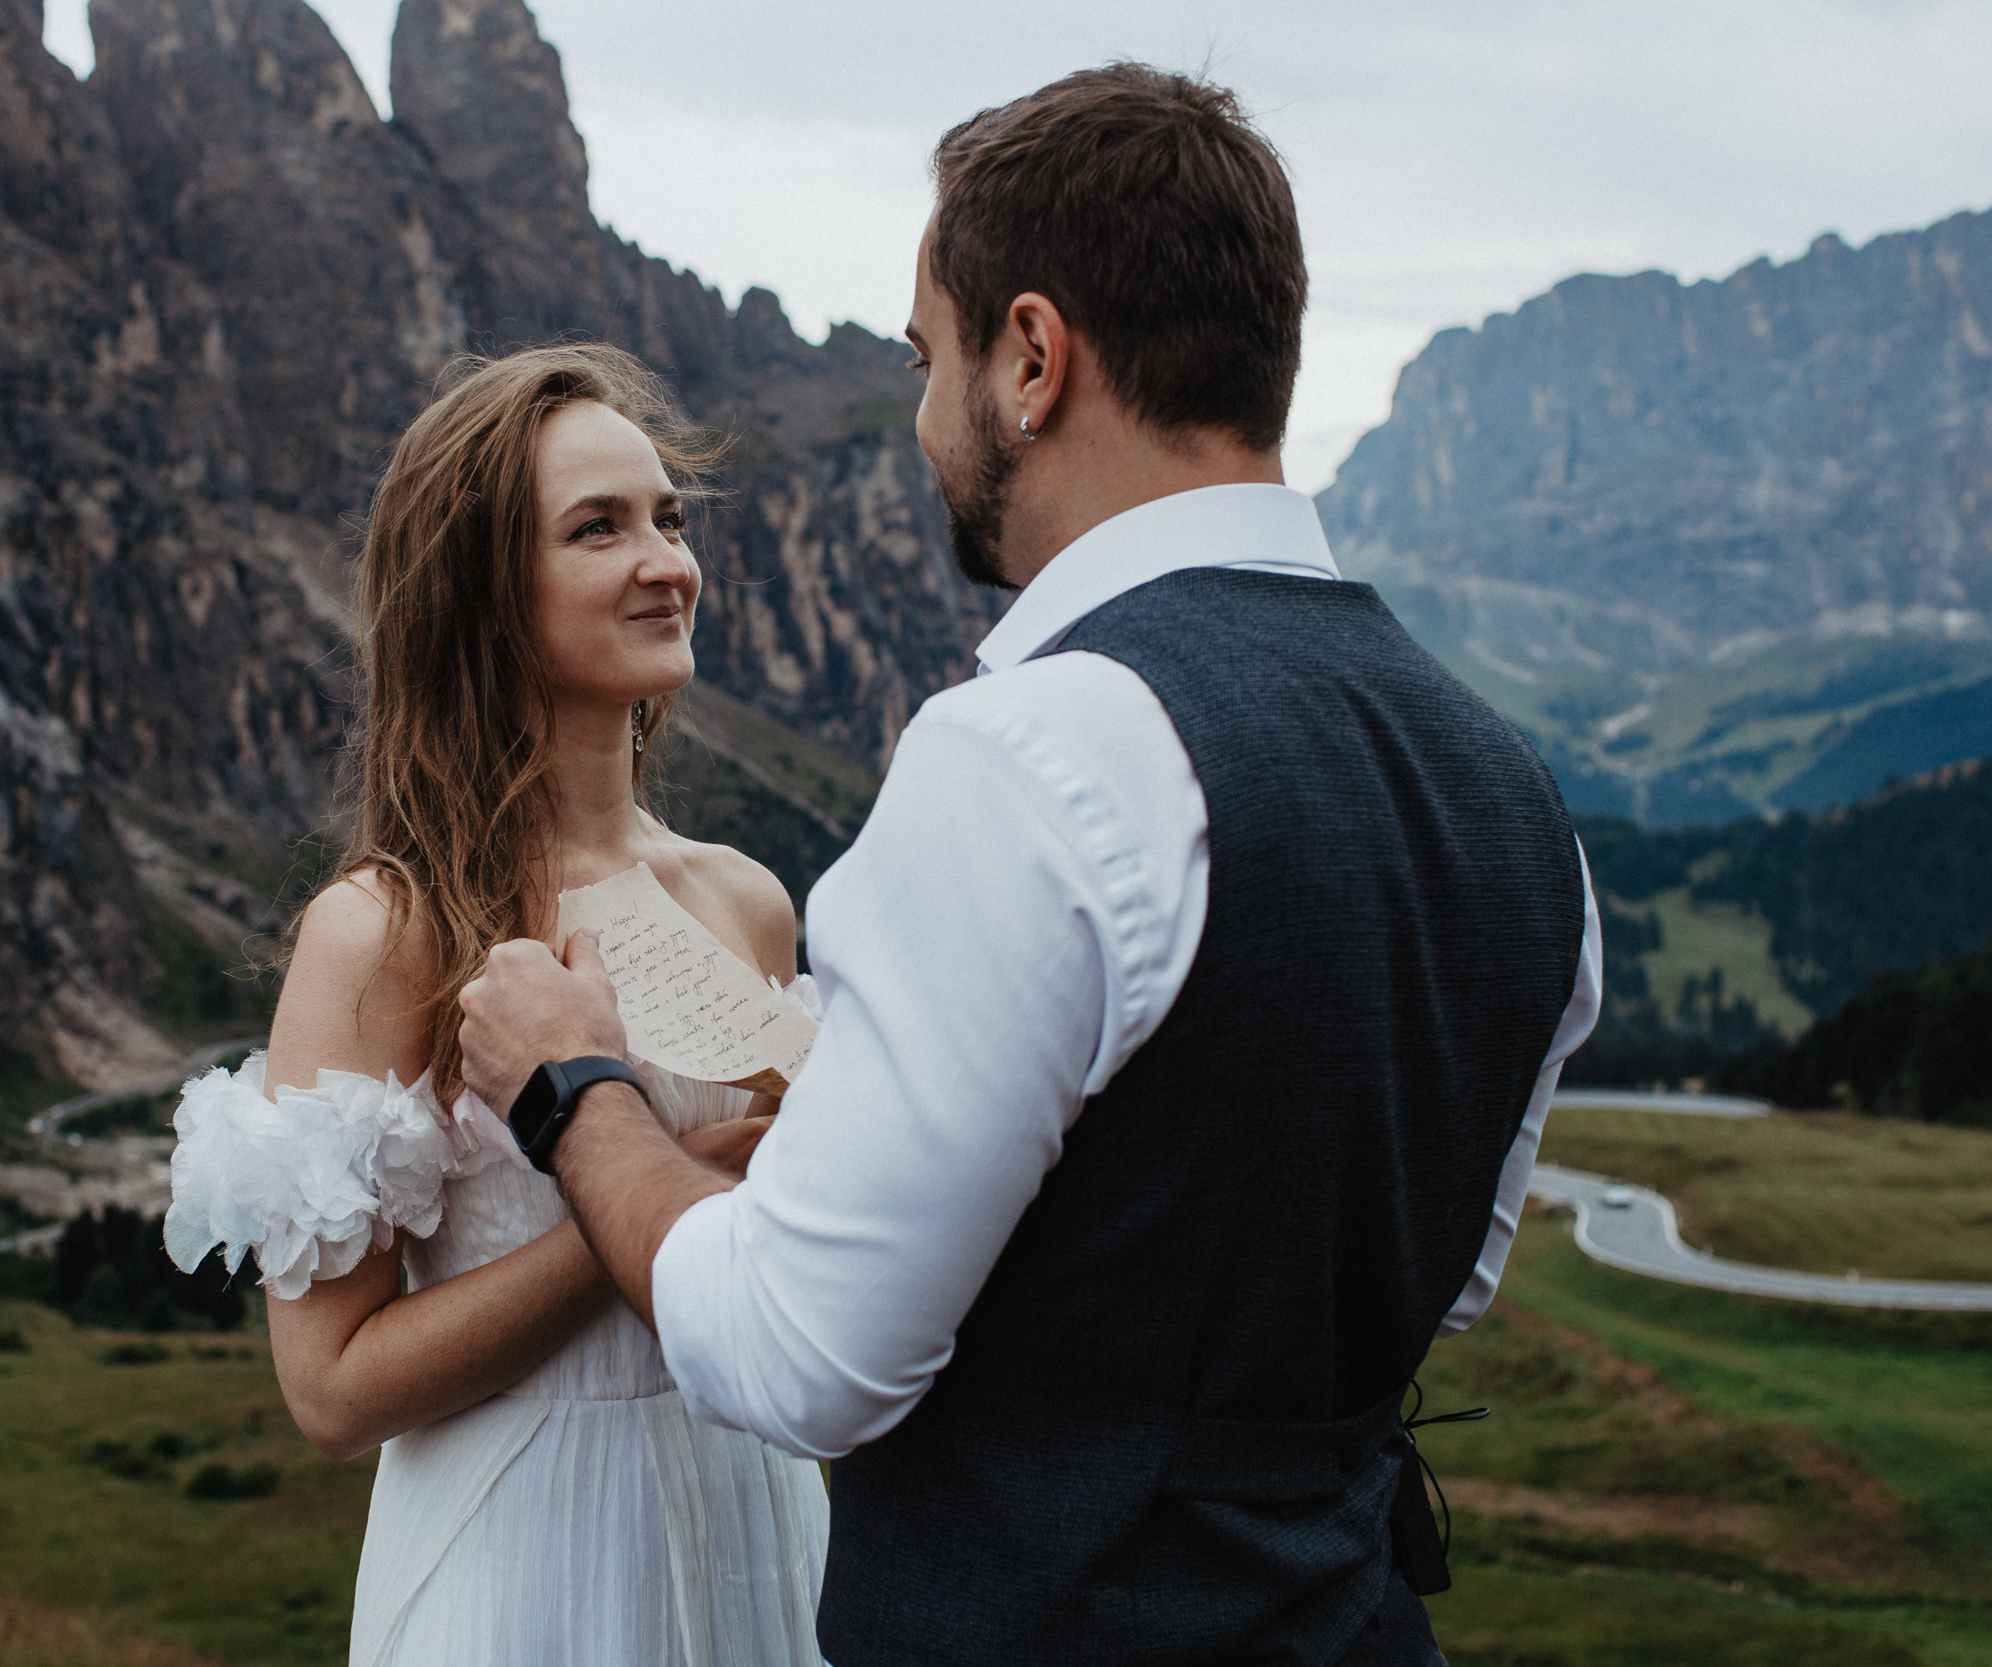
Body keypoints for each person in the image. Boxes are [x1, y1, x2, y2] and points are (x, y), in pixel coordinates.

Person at [456, 66, 1605, 1667]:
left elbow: (799, 1355)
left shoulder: (1034, 755)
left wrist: (579, 1097)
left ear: (1033, 360)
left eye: (931, 357)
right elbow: (1445, 1280)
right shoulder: (1518, 796)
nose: (927, 416)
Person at [162, 344, 829, 1667]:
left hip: (764, 1516)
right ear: (484, 594)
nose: (667, 564)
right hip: (527, 1551)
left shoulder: (745, 899)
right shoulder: (385, 934)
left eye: (669, 519)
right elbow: (334, 1392)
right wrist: (642, 1183)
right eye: (600, 529)